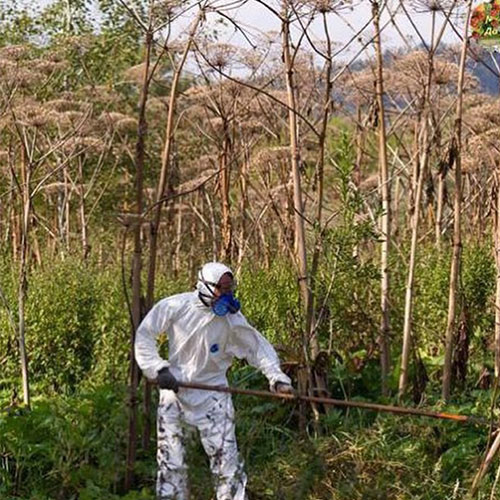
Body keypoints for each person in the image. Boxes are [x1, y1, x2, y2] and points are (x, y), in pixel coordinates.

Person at [135, 261, 294, 500]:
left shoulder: (231, 320)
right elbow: (145, 334)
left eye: (230, 288)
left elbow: (257, 348)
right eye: (222, 288)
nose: (227, 294)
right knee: (172, 462)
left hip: (214, 395)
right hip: (175, 391)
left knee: (226, 463)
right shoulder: (176, 306)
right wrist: (158, 370)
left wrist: (278, 379)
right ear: (205, 286)